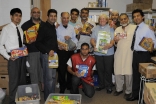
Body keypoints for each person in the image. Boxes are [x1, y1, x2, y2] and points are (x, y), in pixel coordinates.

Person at [126, 9, 156, 101]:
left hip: (144, 55)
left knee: (143, 76)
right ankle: (135, 94)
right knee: (135, 75)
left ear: (142, 17)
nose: (136, 18)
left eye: (138, 16)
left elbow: (155, 42)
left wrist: (152, 42)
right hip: (135, 54)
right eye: (134, 16)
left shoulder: (147, 28)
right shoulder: (135, 27)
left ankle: (143, 96)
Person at [0, 8, 26, 104]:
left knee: (22, 80)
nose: (18, 17)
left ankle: (21, 100)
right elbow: (0, 45)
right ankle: (12, 102)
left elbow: (20, 44)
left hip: (22, 57)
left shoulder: (20, 29)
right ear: (11, 16)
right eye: (16, 15)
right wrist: (8, 57)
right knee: (14, 82)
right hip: (13, 58)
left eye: (20, 15)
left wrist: (24, 52)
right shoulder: (6, 29)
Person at [35, 9, 58, 100]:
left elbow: (50, 41)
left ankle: (51, 97)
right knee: (48, 79)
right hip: (46, 56)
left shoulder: (53, 27)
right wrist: (48, 50)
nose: (53, 17)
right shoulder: (44, 27)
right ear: (47, 17)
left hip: (53, 56)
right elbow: (38, 43)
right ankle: (48, 99)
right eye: (51, 16)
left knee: (52, 78)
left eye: (54, 16)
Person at [113, 13, 137, 99]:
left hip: (129, 53)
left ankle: (128, 91)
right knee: (117, 72)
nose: (123, 20)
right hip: (119, 53)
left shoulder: (134, 28)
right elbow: (115, 44)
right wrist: (115, 41)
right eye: (121, 19)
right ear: (119, 20)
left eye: (125, 19)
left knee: (128, 73)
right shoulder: (117, 29)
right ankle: (119, 89)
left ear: (128, 19)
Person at [90, 14, 114, 94]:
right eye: (100, 19)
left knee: (108, 70)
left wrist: (110, 45)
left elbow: (113, 39)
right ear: (98, 20)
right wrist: (94, 45)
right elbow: (92, 39)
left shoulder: (111, 27)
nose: (102, 20)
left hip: (109, 52)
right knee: (100, 70)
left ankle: (109, 86)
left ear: (107, 20)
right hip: (98, 53)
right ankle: (101, 85)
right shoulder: (95, 28)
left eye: (104, 19)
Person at [21, 7, 44, 90]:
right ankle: (35, 92)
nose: (36, 14)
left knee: (42, 71)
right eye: (34, 12)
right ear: (31, 13)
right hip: (31, 52)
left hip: (43, 52)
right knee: (33, 72)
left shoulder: (44, 24)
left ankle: (43, 88)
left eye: (38, 12)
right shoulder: (25, 25)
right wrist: (27, 41)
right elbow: (21, 39)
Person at [57, 12, 78, 93]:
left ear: (69, 18)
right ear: (61, 18)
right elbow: (55, 39)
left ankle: (69, 85)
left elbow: (75, 38)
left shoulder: (71, 28)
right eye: (64, 18)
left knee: (70, 69)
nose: (65, 20)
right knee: (61, 70)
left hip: (70, 51)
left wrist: (75, 43)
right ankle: (62, 87)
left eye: (67, 18)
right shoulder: (57, 28)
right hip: (61, 51)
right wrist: (61, 41)